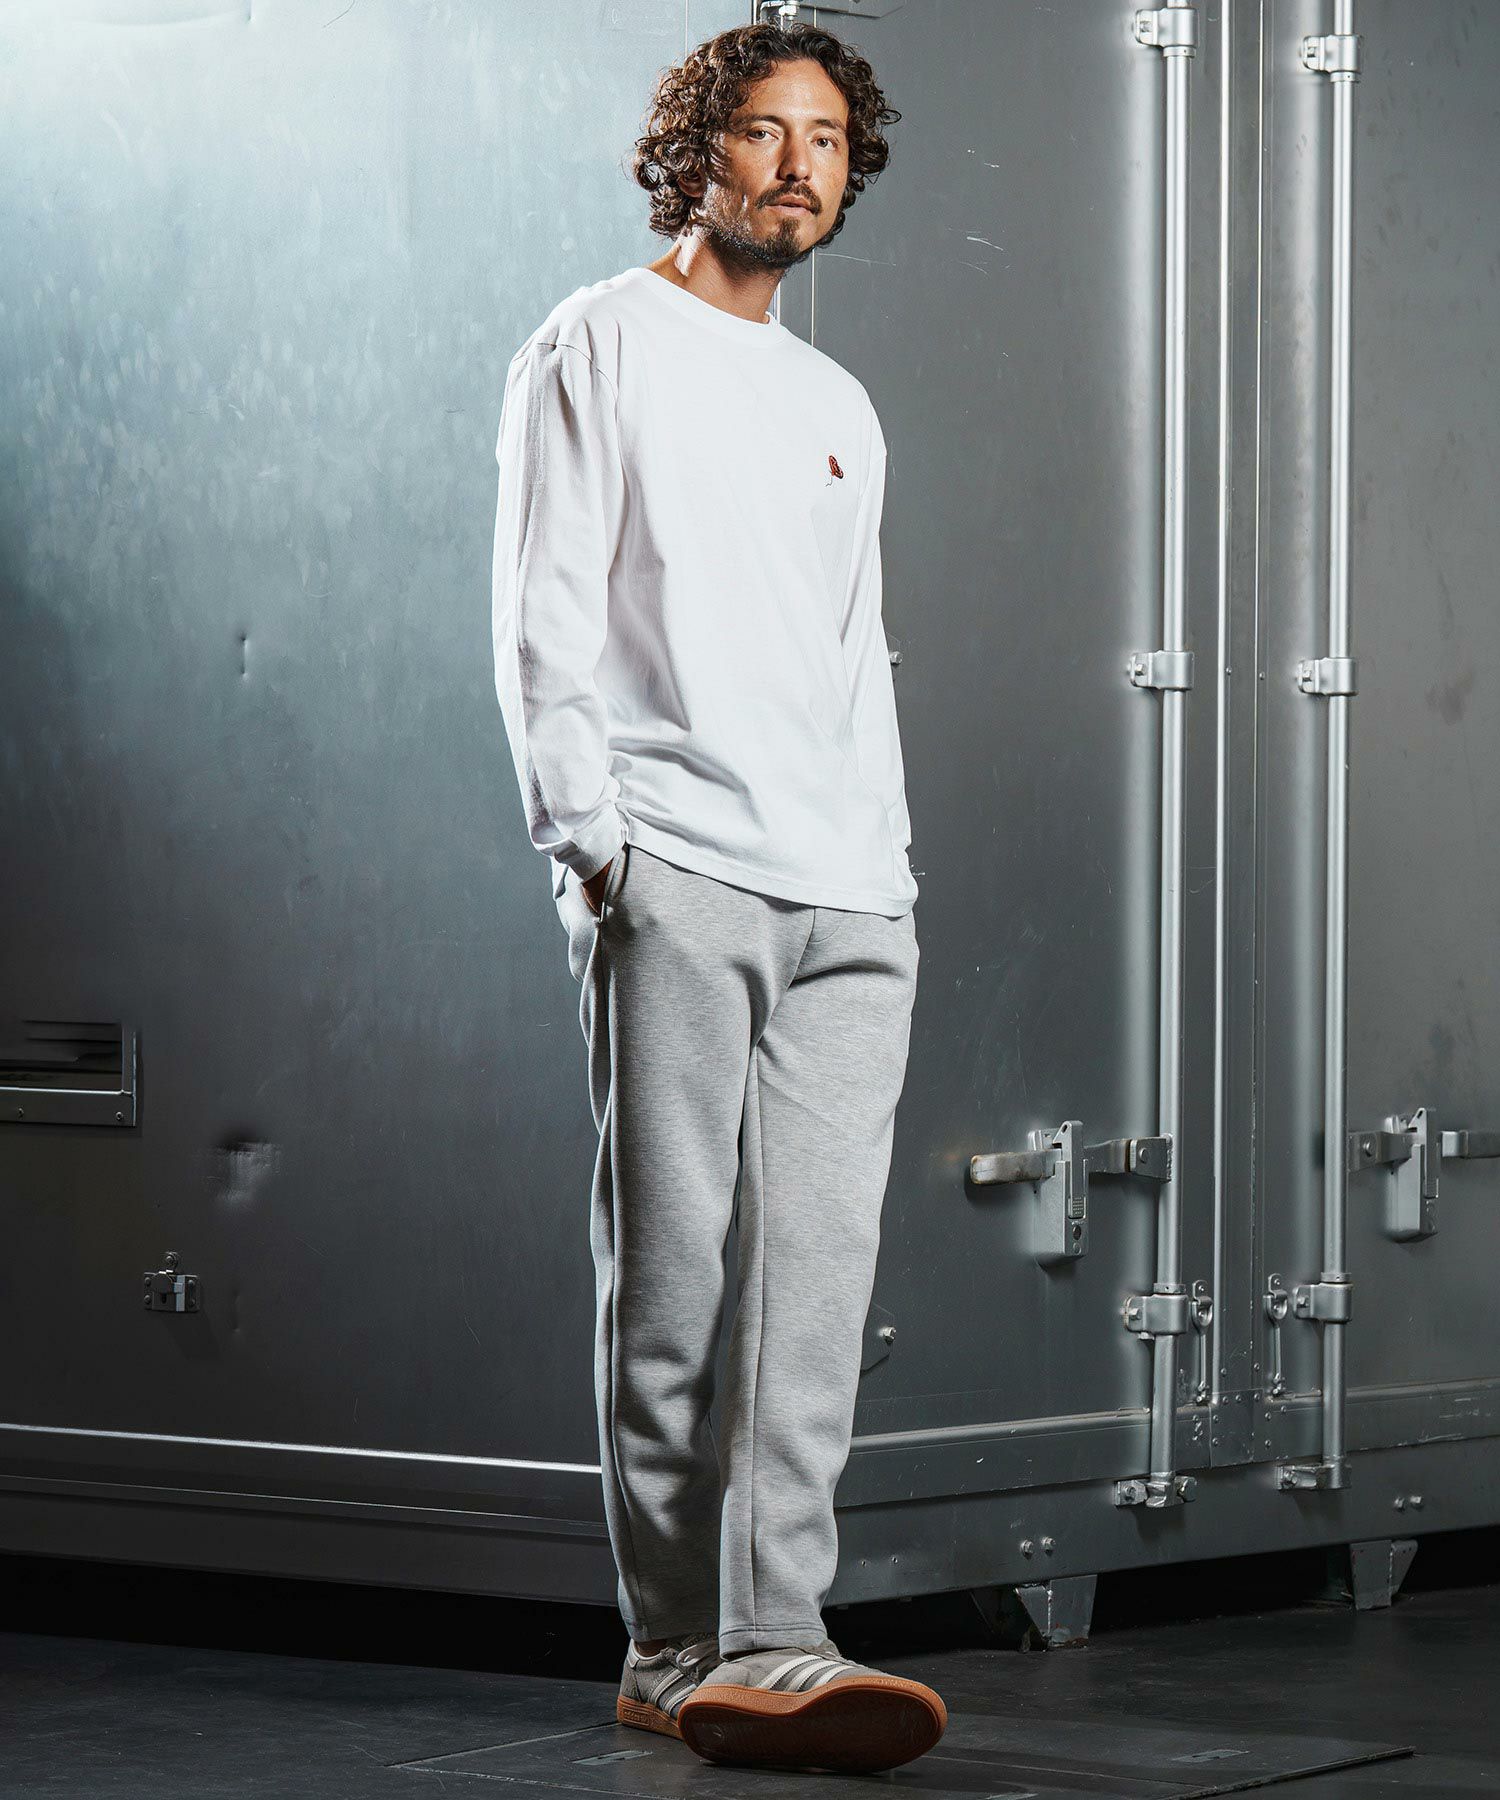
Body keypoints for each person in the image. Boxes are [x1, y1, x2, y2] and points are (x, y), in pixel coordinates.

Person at [491, 18, 945, 1776]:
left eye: (827, 140)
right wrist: (597, 848)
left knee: (814, 1292)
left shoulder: (840, 405)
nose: (796, 166)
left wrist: (887, 874)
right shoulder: (596, 342)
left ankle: (779, 1640)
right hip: (677, 867)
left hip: (849, 898)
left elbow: (853, 658)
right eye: (763, 131)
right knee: (677, 1280)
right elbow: (544, 615)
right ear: (697, 150)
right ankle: (678, 1645)